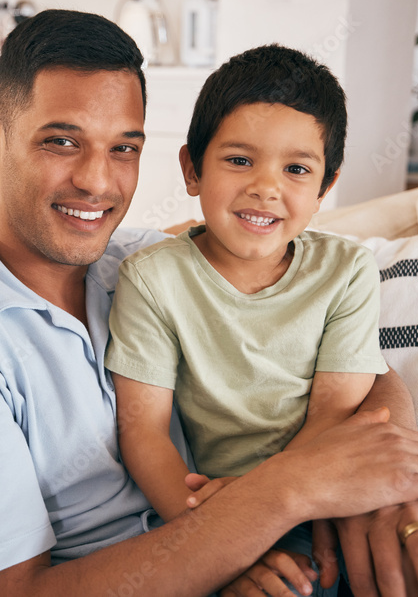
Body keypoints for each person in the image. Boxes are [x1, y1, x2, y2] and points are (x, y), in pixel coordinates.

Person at [0, 9, 418, 597]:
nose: (97, 181)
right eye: (62, 142)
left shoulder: (148, 259)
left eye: (125, 148)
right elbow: (13, 593)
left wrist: (392, 481)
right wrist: (269, 510)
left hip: (275, 539)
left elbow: (363, 373)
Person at [105, 44, 387, 594]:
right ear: (192, 169)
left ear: (326, 186)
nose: (266, 187)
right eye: (239, 160)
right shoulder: (151, 279)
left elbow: (334, 411)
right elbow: (143, 432)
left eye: (297, 169)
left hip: (329, 494)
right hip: (208, 513)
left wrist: (266, 501)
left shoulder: (349, 271)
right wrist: (213, 528)